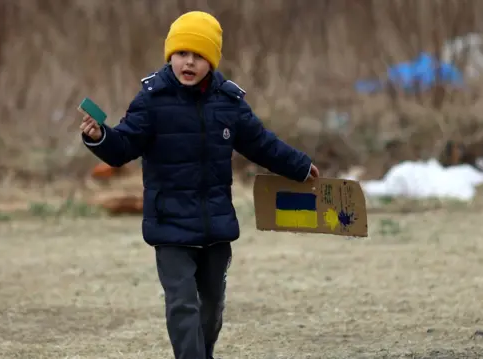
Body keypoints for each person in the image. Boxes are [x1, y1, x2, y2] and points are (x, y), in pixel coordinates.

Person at [80, 10, 319, 359]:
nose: (188, 62)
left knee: (210, 312)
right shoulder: (151, 101)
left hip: (215, 226)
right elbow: (122, 148)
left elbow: (262, 144)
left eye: (198, 56)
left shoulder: (228, 102)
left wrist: (299, 166)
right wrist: (100, 137)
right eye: (181, 54)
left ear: (211, 61)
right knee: (183, 306)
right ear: (170, 56)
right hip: (169, 225)